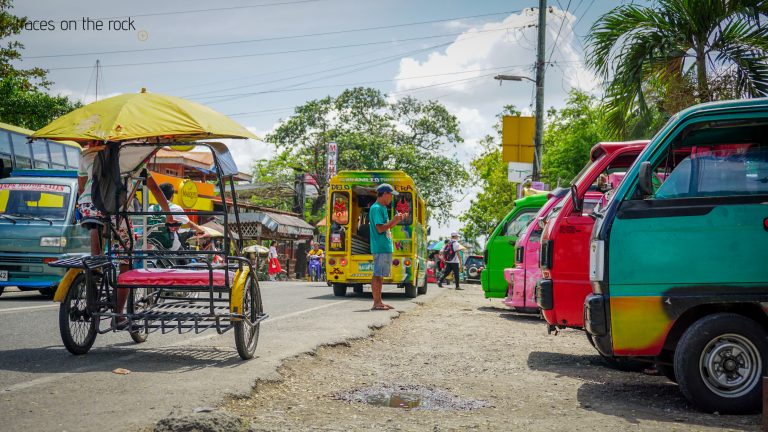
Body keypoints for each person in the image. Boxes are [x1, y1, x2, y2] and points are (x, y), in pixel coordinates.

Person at [76, 141, 173, 327]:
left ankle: (96, 264)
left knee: (96, 229)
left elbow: (82, 187)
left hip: (88, 206)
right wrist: (168, 216)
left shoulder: (86, 155)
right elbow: (155, 190)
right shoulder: (134, 160)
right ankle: (119, 315)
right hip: (115, 209)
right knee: (125, 258)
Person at [369, 183, 406, 310]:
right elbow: (380, 229)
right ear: (385, 194)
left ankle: (379, 301)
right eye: (391, 195)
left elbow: (386, 228)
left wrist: (397, 220)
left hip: (384, 246)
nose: (392, 198)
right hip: (380, 246)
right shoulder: (376, 208)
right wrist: (394, 220)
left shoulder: (383, 208)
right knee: (377, 274)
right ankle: (376, 303)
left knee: (380, 275)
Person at [148, 183, 208, 252]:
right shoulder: (175, 208)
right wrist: (202, 231)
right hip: (170, 246)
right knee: (184, 256)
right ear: (172, 196)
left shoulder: (151, 208)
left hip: (152, 244)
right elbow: (191, 225)